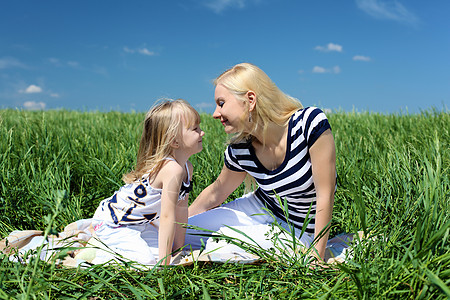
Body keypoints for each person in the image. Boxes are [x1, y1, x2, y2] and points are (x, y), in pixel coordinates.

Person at [186, 63, 336, 261]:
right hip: (259, 209)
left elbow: (325, 195)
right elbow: (216, 193)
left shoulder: (309, 124)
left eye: (221, 103)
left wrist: (317, 255)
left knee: (222, 242)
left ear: (250, 100)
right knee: (184, 233)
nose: (215, 113)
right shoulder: (240, 149)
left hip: (299, 231)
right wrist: (176, 221)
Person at [92, 99, 204, 265]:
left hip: (140, 224)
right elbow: (167, 216)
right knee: (147, 262)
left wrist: (177, 248)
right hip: (113, 222)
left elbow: (181, 209)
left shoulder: (187, 167)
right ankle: (95, 249)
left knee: (161, 253)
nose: (202, 132)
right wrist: (165, 264)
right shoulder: (171, 169)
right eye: (195, 129)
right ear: (174, 141)